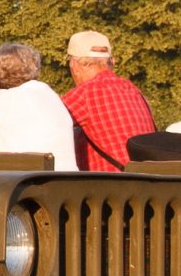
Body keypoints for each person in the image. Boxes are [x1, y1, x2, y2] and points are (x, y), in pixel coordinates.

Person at [60, 30, 156, 172]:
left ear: (74, 65)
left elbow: (45, 123)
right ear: (112, 61)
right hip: (146, 183)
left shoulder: (86, 93)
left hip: (110, 187)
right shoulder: (134, 90)